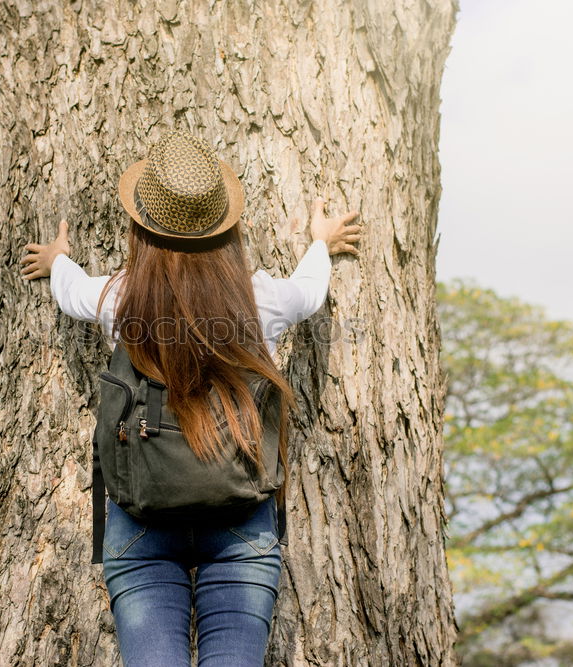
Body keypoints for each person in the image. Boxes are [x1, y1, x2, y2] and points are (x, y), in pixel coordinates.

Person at [19, 129, 360, 666]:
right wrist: (322, 242)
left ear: (143, 230)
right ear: (228, 230)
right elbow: (311, 291)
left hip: (141, 519)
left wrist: (58, 259)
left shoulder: (121, 296)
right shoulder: (261, 299)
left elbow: (72, 292)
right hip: (241, 516)